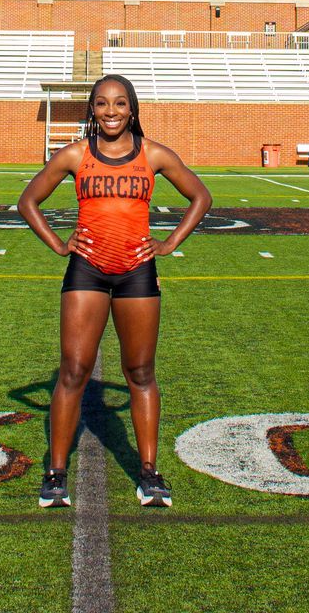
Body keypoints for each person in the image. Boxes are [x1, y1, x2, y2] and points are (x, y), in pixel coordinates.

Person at [17, 74, 211, 510]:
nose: (111, 112)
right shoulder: (75, 154)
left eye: (120, 104)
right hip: (86, 271)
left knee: (140, 373)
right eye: (102, 104)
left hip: (137, 273)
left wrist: (168, 243)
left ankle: (149, 473)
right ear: (91, 110)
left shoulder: (154, 153)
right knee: (73, 371)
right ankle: (56, 474)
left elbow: (200, 196)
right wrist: (59, 243)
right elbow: (28, 200)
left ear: (132, 109)